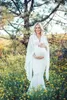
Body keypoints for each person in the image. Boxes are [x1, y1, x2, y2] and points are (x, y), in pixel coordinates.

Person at [25, 22, 50, 92]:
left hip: (43, 59)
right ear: (34, 29)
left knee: (41, 74)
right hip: (35, 59)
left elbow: (47, 47)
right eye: (36, 28)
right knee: (36, 73)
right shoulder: (32, 37)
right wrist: (35, 56)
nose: (37, 29)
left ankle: (40, 90)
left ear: (41, 28)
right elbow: (29, 49)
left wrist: (44, 46)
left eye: (39, 27)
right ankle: (32, 91)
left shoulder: (44, 37)